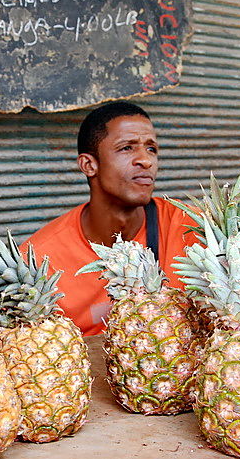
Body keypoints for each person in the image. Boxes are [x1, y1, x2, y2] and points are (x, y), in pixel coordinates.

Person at [21, 101, 197, 336]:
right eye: (127, 148)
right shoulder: (40, 262)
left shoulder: (191, 227)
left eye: (152, 149)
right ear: (89, 165)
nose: (146, 160)